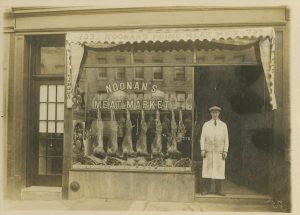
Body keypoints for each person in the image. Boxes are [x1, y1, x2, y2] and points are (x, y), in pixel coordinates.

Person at [200, 106, 229, 196]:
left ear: (219, 113)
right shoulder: (206, 124)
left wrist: (225, 151)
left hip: (219, 151)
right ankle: (206, 190)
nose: (215, 114)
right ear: (210, 114)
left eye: (216, 113)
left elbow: (226, 139)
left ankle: (219, 190)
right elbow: (202, 138)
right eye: (213, 113)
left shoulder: (223, 125)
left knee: (219, 171)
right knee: (207, 170)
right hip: (208, 151)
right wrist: (202, 149)